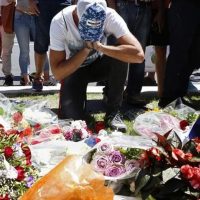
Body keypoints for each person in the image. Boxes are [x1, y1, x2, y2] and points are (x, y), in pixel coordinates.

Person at [49, 0, 144, 132]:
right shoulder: (60, 21)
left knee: (122, 54)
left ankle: (113, 112)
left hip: (99, 65)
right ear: (77, 14)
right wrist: (86, 50)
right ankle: (79, 105)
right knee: (73, 119)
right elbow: (58, 73)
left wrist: (102, 48)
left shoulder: (111, 16)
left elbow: (138, 55)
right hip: (74, 69)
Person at [107, 0, 154, 107]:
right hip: (121, 6)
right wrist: (113, 8)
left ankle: (133, 93)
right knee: (115, 51)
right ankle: (110, 94)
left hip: (145, 6)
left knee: (139, 54)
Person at [159, 0, 200, 108]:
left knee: (194, 56)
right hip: (183, 6)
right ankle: (168, 98)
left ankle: (180, 94)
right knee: (179, 54)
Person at [28, 0, 71, 91]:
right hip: (44, 6)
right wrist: (31, 1)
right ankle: (38, 77)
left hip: (65, 5)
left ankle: (66, 77)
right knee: (41, 42)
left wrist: (75, 3)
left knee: (67, 44)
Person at [14, 0, 51, 86]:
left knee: (42, 47)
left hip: (37, 15)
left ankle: (46, 78)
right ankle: (26, 80)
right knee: (24, 51)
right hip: (20, 15)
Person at [1, 0, 15, 86]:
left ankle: (8, 76)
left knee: (6, 49)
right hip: (7, 16)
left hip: (7, 17)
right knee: (6, 50)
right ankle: (8, 75)